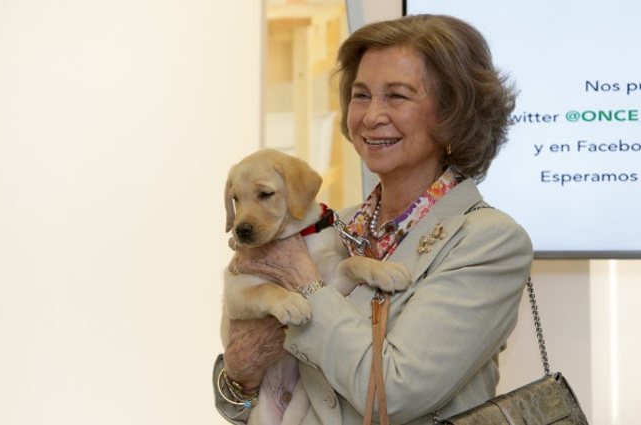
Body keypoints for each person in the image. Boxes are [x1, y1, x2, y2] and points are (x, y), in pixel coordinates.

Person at [213, 14, 533, 425]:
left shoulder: (488, 242)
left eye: (396, 96)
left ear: (451, 112)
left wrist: (303, 282)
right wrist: (238, 376)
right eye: (361, 95)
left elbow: (393, 394)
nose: (370, 115)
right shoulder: (335, 227)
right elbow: (241, 397)